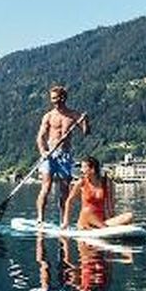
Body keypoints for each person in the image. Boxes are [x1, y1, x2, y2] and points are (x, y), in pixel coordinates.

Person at [35, 84, 89, 223]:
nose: (53, 101)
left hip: (65, 155)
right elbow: (40, 137)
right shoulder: (48, 116)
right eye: (51, 99)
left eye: (55, 98)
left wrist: (85, 122)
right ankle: (40, 218)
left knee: (65, 190)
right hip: (49, 155)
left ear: (63, 98)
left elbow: (86, 133)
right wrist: (43, 152)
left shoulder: (73, 115)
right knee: (46, 187)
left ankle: (63, 222)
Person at [62, 156, 135, 230]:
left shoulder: (106, 182)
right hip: (86, 219)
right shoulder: (81, 182)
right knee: (87, 212)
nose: (81, 170)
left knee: (129, 216)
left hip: (102, 221)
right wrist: (66, 222)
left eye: (84, 167)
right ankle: (103, 227)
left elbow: (111, 203)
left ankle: (103, 227)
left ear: (92, 169)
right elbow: (69, 201)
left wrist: (112, 219)